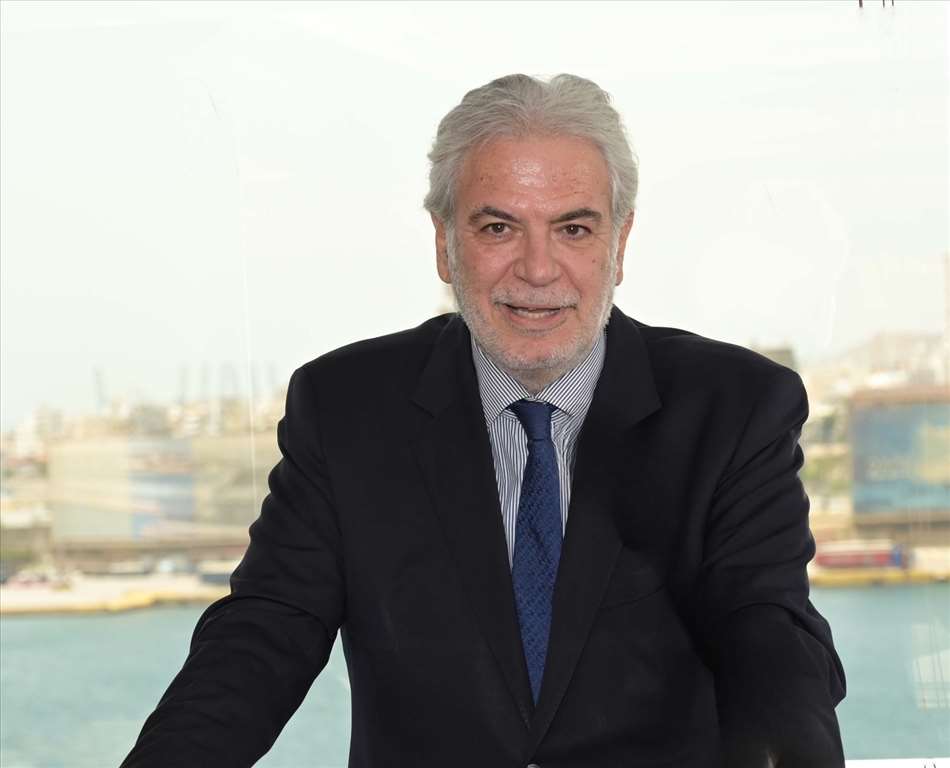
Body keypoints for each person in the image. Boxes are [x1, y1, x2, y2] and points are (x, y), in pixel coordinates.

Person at [121, 73, 846, 768]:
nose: (537, 269)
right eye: (499, 227)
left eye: (573, 228)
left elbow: (766, 627)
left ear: (620, 244)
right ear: (444, 243)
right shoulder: (344, 408)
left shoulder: (734, 408)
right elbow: (262, 635)